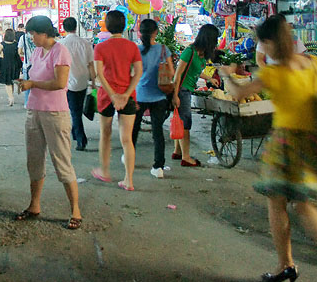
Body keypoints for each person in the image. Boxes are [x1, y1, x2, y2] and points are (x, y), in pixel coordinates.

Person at [220, 15, 317, 282]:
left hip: (285, 145)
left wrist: (225, 74)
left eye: (263, 44)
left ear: (269, 42)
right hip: (313, 143)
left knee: (276, 202)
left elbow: (239, 92)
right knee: (306, 205)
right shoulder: (314, 65)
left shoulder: (273, 73)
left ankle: (285, 264)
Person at [14, 16, 82, 230]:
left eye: (33, 34)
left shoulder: (60, 51)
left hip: (55, 113)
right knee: (34, 160)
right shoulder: (36, 52)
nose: (31, 37)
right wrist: (26, 83)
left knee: (61, 160)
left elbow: (60, 83)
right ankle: (34, 205)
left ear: (44, 33)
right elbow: (35, 77)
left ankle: (75, 210)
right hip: (34, 110)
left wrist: (33, 83)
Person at [91, 11, 143, 190]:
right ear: (124, 25)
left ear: (107, 25)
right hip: (127, 97)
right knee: (126, 139)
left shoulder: (100, 47)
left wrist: (112, 95)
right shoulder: (132, 47)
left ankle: (104, 171)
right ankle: (129, 180)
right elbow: (138, 72)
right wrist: (126, 94)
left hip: (106, 96)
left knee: (105, 134)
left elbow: (99, 73)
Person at [171, 24, 220, 167]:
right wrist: (175, 95)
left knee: (181, 120)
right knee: (185, 122)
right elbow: (178, 75)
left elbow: (196, 71)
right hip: (182, 90)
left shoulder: (202, 54)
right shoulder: (189, 51)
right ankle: (186, 158)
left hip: (188, 90)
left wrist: (209, 78)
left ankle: (178, 151)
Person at [135, 19, 174, 179]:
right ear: (155, 32)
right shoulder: (163, 50)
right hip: (159, 95)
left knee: (134, 129)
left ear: (140, 33)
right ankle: (158, 167)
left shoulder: (136, 50)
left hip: (140, 95)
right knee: (158, 132)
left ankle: (129, 158)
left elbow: (133, 73)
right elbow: (171, 72)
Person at [59, 17, 95, 151]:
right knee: (77, 110)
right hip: (82, 81)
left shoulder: (61, 44)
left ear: (64, 28)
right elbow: (91, 64)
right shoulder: (85, 43)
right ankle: (76, 134)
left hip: (68, 81)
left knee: (75, 112)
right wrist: (94, 81)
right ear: (76, 27)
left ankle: (81, 139)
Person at [0, 28, 22, 107]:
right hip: (15, 64)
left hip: (6, 64)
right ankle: (12, 95)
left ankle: (11, 98)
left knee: (8, 82)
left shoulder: (2, 44)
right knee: (12, 80)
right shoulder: (16, 44)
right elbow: (19, 53)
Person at [18, 29, 36, 108]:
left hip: (27, 64)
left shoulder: (23, 37)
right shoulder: (38, 36)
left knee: (26, 85)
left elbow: (19, 51)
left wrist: (25, 55)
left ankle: (27, 103)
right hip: (38, 64)